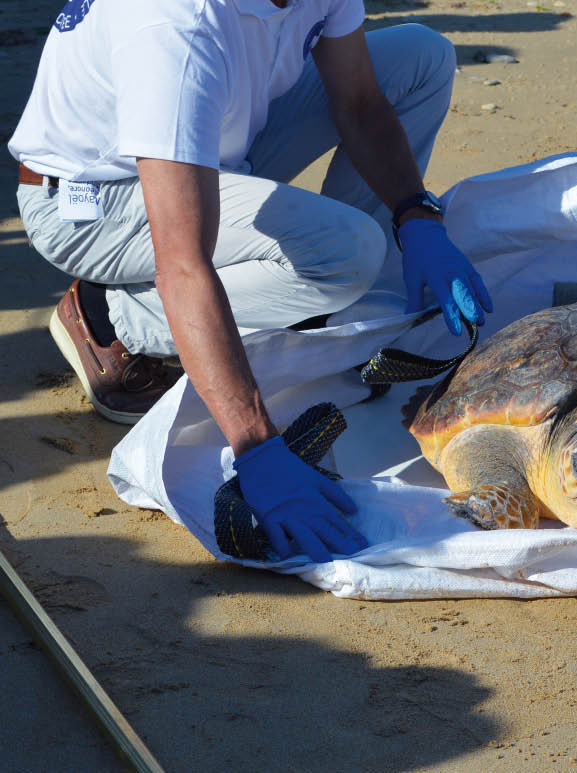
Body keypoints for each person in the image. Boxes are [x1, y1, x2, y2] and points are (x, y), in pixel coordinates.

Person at [10, 0, 493, 563]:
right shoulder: (175, 25)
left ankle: (331, 304)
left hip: (217, 142)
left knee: (420, 56)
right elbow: (184, 265)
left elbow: (361, 104)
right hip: (91, 200)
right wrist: (256, 447)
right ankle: (115, 317)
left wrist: (415, 214)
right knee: (346, 253)